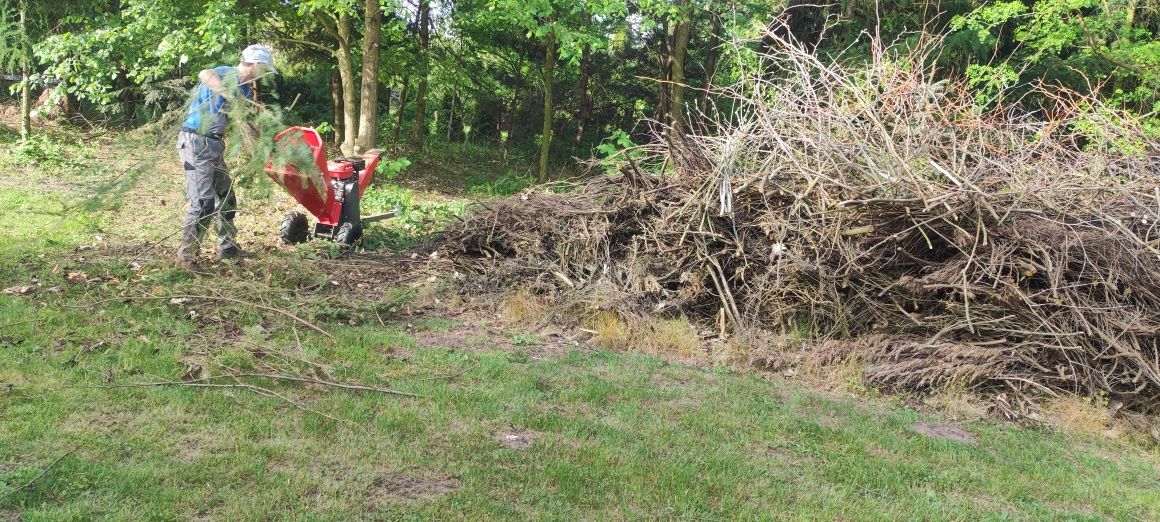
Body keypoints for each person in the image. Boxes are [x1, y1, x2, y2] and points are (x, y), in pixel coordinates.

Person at [176, 44, 277, 269]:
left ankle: (228, 247)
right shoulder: (226, 73)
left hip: (214, 144)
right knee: (202, 202)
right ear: (256, 65)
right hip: (195, 142)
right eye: (265, 69)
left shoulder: (247, 90)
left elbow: (244, 120)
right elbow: (204, 74)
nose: (265, 74)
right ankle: (187, 255)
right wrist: (229, 95)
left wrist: (266, 142)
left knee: (227, 196)